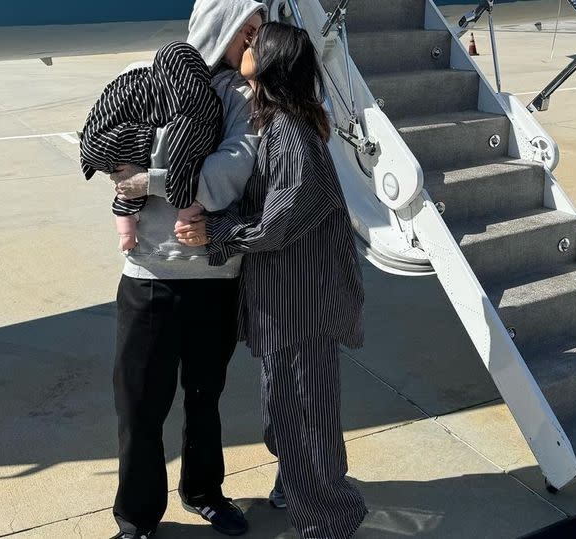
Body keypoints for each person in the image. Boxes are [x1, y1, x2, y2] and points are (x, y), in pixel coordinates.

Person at [176, 22, 368, 538]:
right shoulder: (282, 124)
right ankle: (304, 490)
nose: (248, 45)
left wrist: (216, 231)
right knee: (294, 411)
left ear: (272, 64)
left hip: (301, 308)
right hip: (286, 305)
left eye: (258, 43)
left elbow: (278, 223)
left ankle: (328, 520)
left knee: (302, 417)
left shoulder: (289, 133)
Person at [106, 1, 267, 537]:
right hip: (147, 280)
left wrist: (148, 181)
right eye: (245, 29)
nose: (251, 41)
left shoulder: (242, 98)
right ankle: (136, 517)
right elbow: (108, 143)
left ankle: (205, 493)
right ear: (217, 24)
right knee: (139, 409)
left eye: (257, 32)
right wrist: (131, 169)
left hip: (215, 283)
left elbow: (229, 179)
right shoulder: (140, 78)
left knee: (205, 400)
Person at [80, 40, 223, 251]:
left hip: (100, 151)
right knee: (191, 162)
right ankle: (183, 218)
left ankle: (126, 233)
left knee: (126, 186)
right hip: (164, 253)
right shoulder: (199, 103)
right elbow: (181, 155)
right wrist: (174, 192)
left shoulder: (137, 82)